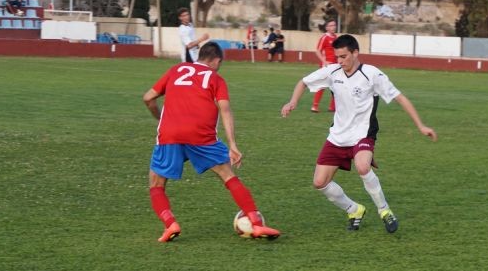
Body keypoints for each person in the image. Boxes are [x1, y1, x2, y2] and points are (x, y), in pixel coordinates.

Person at [281, 34, 437, 233]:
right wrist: (293, 101)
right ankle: (354, 210)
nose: (340, 61)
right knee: (319, 182)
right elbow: (303, 82)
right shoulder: (333, 72)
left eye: (344, 56)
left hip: (363, 134)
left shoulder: (372, 74)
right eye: (337, 57)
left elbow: (399, 98)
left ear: (355, 53)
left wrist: (421, 126)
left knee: (362, 166)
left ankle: (384, 210)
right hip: (338, 135)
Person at [142, 41, 281, 242]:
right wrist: (232, 144)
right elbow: (225, 109)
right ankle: (257, 224)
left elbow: (148, 98)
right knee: (227, 175)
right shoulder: (215, 78)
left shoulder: (176, 69)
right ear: (216, 60)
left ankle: (170, 223)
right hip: (201, 136)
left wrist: (160, 117)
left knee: (156, 183)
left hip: (169, 134)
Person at [311, 19, 338, 113]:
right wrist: (324, 61)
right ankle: (314, 106)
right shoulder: (324, 38)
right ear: (326, 28)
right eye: (331, 25)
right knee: (322, 85)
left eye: (334, 25)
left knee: (336, 85)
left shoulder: (336, 37)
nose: (333, 27)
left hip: (336, 65)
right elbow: (317, 51)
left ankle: (332, 107)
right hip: (327, 66)